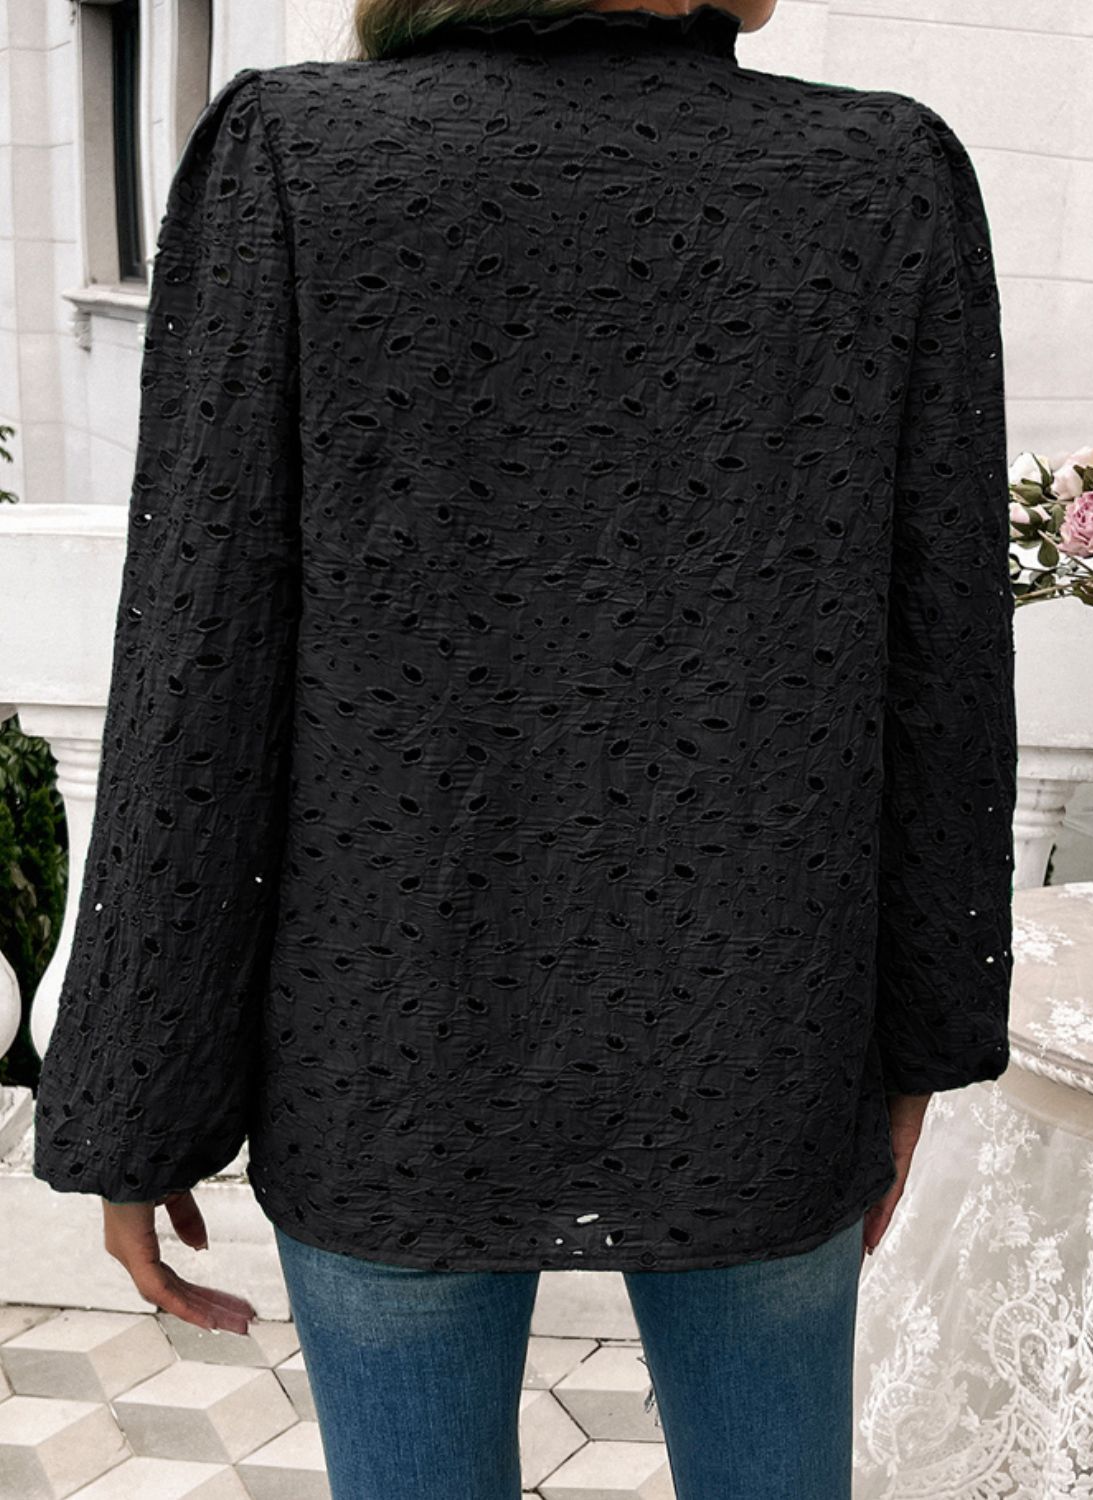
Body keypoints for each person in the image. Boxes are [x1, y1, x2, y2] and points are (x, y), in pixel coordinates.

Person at [30, 0, 1017, 1494]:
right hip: (757, 1040)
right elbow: (944, 669)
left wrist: (138, 1102)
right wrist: (916, 1037)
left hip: (385, 1048)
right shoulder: (884, 178)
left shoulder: (296, 156)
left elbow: (199, 668)